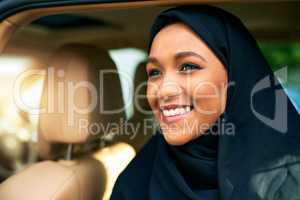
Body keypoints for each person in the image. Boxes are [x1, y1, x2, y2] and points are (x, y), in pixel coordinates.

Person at [110, 5, 300, 200]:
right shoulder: (135, 183)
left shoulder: (290, 179)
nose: (164, 90)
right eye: (154, 72)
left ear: (234, 77)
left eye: (188, 67)